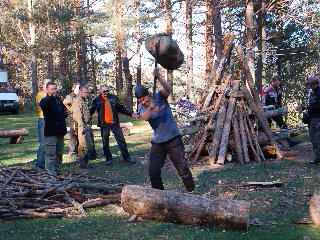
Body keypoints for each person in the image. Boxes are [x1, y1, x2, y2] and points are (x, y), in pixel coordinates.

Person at [134, 69, 195, 192]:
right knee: (153, 171)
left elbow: (168, 89)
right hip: (158, 142)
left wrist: (159, 77)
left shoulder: (159, 96)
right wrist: (150, 108)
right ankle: (159, 194)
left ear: (148, 94)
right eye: (140, 100)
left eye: (144, 98)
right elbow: (144, 117)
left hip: (173, 139)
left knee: (182, 168)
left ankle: (191, 190)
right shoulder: (141, 107)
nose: (143, 102)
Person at [90, 84, 135, 165]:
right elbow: (91, 111)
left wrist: (130, 114)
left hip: (115, 123)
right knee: (105, 142)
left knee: (121, 141)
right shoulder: (96, 100)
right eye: (104, 91)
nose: (106, 92)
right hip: (104, 124)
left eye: (107, 90)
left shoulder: (113, 97)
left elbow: (121, 108)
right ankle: (108, 159)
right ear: (100, 91)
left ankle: (127, 158)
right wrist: (86, 119)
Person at [260, 75, 300, 148]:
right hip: (267, 111)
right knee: (267, 127)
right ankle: (267, 144)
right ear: (273, 81)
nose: (278, 84)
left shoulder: (278, 89)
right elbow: (262, 101)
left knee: (282, 124)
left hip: (275, 111)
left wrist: (280, 107)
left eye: (279, 83)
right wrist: (264, 110)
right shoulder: (267, 89)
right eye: (277, 83)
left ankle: (289, 141)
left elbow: (278, 100)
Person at [39, 82, 68, 175]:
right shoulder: (44, 100)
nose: (54, 90)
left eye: (55, 88)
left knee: (59, 153)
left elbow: (63, 111)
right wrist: (52, 96)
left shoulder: (58, 100)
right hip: (51, 132)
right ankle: (50, 173)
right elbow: (43, 106)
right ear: (47, 90)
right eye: (52, 89)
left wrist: (65, 113)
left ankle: (57, 171)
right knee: (50, 153)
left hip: (60, 130)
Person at [72, 85, 95, 169]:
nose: (86, 94)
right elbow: (78, 116)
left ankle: (85, 161)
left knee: (89, 144)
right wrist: (82, 127)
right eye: (84, 92)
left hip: (87, 124)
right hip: (81, 125)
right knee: (83, 144)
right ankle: (83, 163)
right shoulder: (77, 101)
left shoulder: (83, 100)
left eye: (86, 92)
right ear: (80, 92)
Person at [301, 76, 320, 164]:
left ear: (314, 84)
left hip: (317, 119)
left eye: (310, 84)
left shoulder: (318, 92)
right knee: (315, 139)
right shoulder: (313, 92)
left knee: (315, 139)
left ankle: (318, 159)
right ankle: (317, 158)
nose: (309, 86)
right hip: (313, 118)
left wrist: (307, 107)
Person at [35, 79, 51, 172]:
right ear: (43, 86)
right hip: (43, 120)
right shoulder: (40, 95)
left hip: (49, 120)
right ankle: (39, 165)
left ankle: (46, 163)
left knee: (49, 143)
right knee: (43, 144)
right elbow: (43, 106)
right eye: (47, 84)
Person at [63, 82, 80, 156]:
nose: (79, 89)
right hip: (73, 118)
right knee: (73, 135)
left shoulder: (81, 96)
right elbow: (64, 103)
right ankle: (72, 151)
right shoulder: (70, 96)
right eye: (78, 88)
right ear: (73, 89)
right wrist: (70, 111)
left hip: (80, 118)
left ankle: (79, 150)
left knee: (81, 135)